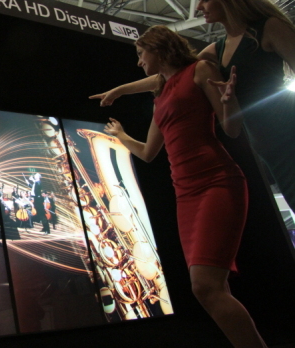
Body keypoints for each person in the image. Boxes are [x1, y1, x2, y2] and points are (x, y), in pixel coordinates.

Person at [103, 25, 265, 348]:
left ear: (157, 48)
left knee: (205, 286)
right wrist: (121, 136)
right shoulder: (160, 93)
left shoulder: (200, 70)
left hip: (216, 182)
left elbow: (231, 129)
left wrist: (230, 102)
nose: (138, 61)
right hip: (185, 195)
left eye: (140, 53)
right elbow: (149, 153)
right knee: (212, 288)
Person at [90, 0, 295, 213]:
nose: (199, 8)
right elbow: (173, 77)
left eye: (206, 0)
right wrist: (120, 90)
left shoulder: (269, 28)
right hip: (265, 144)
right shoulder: (216, 51)